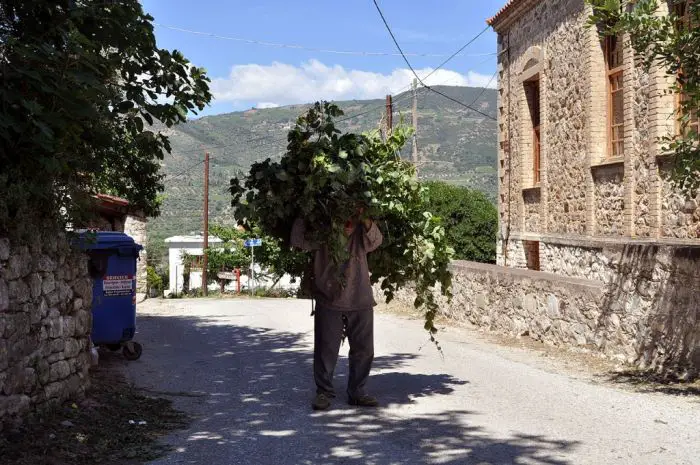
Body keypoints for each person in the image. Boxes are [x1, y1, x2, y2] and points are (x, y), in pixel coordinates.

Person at [290, 210, 383, 411]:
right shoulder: (323, 232)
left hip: (361, 298)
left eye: (351, 217)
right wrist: (304, 210)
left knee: (364, 350)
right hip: (329, 297)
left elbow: (376, 241)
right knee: (326, 350)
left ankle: (357, 392)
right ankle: (323, 393)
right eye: (343, 217)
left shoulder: (361, 232)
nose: (347, 222)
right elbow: (298, 241)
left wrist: (364, 217)